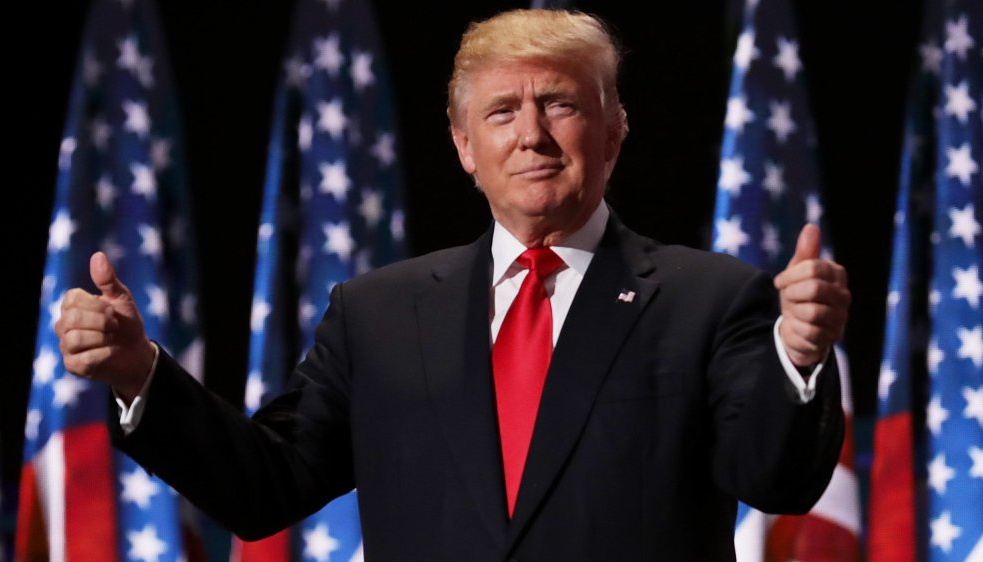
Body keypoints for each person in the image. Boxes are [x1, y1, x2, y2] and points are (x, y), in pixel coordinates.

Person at [55, 9, 850, 561]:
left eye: (561, 104)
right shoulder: (378, 314)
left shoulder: (709, 298)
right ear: (464, 146)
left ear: (614, 132)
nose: (532, 134)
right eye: (503, 112)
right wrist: (139, 377)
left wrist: (800, 359)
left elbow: (774, 480)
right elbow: (267, 485)